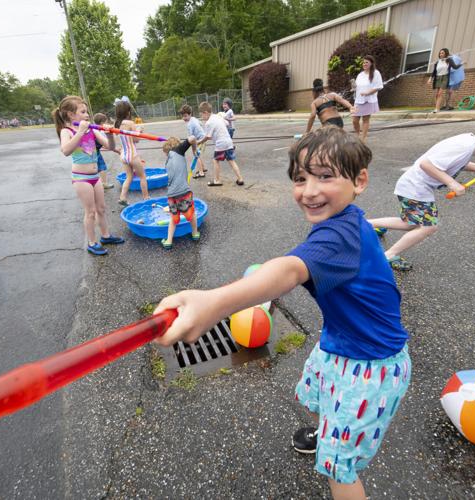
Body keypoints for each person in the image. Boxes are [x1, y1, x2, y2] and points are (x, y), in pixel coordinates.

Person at [154, 127, 410, 500]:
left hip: (370, 366)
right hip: (340, 345)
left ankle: (335, 450)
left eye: (325, 176)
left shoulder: (340, 236)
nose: (309, 190)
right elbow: (295, 264)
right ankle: (327, 433)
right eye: (300, 178)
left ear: (359, 181)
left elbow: (289, 270)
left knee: (341, 469)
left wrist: (213, 304)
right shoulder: (345, 221)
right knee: (316, 398)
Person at [367, 123, 475, 271]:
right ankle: (387, 256)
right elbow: (426, 165)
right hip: (416, 188)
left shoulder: (468, 142)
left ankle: (367, 224)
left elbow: (455, 162)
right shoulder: (463, 146)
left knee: (411, 224)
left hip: (413, 186)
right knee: (429, 226)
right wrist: (452, 183)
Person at [53, 96, 125, 256]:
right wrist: (80, 132)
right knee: (90, 211)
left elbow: (110, 146)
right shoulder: (67, 131)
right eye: (83, 111)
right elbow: (65, 150)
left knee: (101, 208)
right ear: (71, 114)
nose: (87, 115)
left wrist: (110, 135)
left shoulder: (92, 129)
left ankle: (106, 236)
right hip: (81, 178)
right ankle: (92, 242)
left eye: (87, 112)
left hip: (95, 176)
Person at [160, 135, 201, 249]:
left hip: (171, 195)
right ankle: (195, 233)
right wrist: (194, 150)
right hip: (183, 192)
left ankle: (168, 241)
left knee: (174, 218)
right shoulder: (178, 150)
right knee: (191, 214)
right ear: (177, 146)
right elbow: (192, 138)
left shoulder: (168, 161)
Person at [198, 101, 244, 187]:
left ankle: (217, 180)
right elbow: (226, 124)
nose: (202, 117)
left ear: (205, 112)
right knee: (231, 160)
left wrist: (199, 142)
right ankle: (240, 179)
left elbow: (207, 137)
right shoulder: (217, 116)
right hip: (228, 141)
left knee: (215, 160)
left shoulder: (208, 123)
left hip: (221, 144)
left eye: (201, 115)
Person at [114, 99, 149, 206]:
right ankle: (146, 198)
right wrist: (139, 130)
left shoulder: (117, 124)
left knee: (129, 177)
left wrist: (136, 131)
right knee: (142, 176)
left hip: (124, 155)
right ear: (128, 112)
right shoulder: (130, 123)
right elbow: (136, 140)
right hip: (132, 154)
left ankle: (122, 197)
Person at [351, 55, 383, 143]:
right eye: (363, 62)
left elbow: (379, 86)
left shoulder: (376, 73)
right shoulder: (360, 75)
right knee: (354, 120)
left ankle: (363, 138)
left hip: (368, 100)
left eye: (366, 62)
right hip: (358, 100)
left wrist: (368, 93)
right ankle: (357, 135)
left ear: (371, 64)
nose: (364, 64)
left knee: (365, 120)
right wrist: (353, 86)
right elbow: (356, 88)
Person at [428, 48, 462, 113]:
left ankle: (437, 109)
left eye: (442, 53)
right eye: (440, 53)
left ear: (446, 53)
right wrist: (430, 78)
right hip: (438, 78)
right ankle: (437, 107)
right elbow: (434, 71)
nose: (441, 54)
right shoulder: (437, 62)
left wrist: (462, 64)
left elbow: (455, 67)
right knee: (437, 94)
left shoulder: (449, 60)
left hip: (445, 77)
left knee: (440, 93)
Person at [179, 104, 208, 179]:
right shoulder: (194, 119)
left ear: (190, 114)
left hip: (199, 140)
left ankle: (201, 173)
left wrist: (187, 143)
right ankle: (203, 168)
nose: (183, 118)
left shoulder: (189, 125)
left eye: (185, 116)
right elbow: (201, 124)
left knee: (196, 155)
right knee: (198, 154)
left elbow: (191, 138)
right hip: (203, 138)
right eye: (182, 116)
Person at [92, 113, 118, 189]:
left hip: (93, 151)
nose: (106, 124)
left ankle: (96, 184)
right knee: (102, 167)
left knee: (95, 168)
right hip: (95, 152)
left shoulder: (94, 129)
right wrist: (117, 150)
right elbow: (107, 145)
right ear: (102, 123)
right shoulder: (100, 132)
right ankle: (103, 183)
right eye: (106, 122)